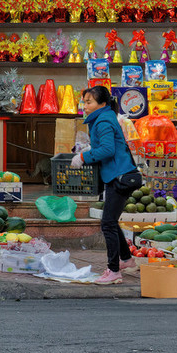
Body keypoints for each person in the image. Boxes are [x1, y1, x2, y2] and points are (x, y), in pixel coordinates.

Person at [73, 83, 141, 284]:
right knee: (111, 220)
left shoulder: (102, 121)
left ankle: (113, 271)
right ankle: (126, 260)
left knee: (108, 223)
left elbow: (108, 150)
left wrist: (84, 157)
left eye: (89, 102)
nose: (84, 105)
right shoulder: (104, 117)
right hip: (118, 174)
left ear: (102, 103)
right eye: (84, 101)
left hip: (118, 176)